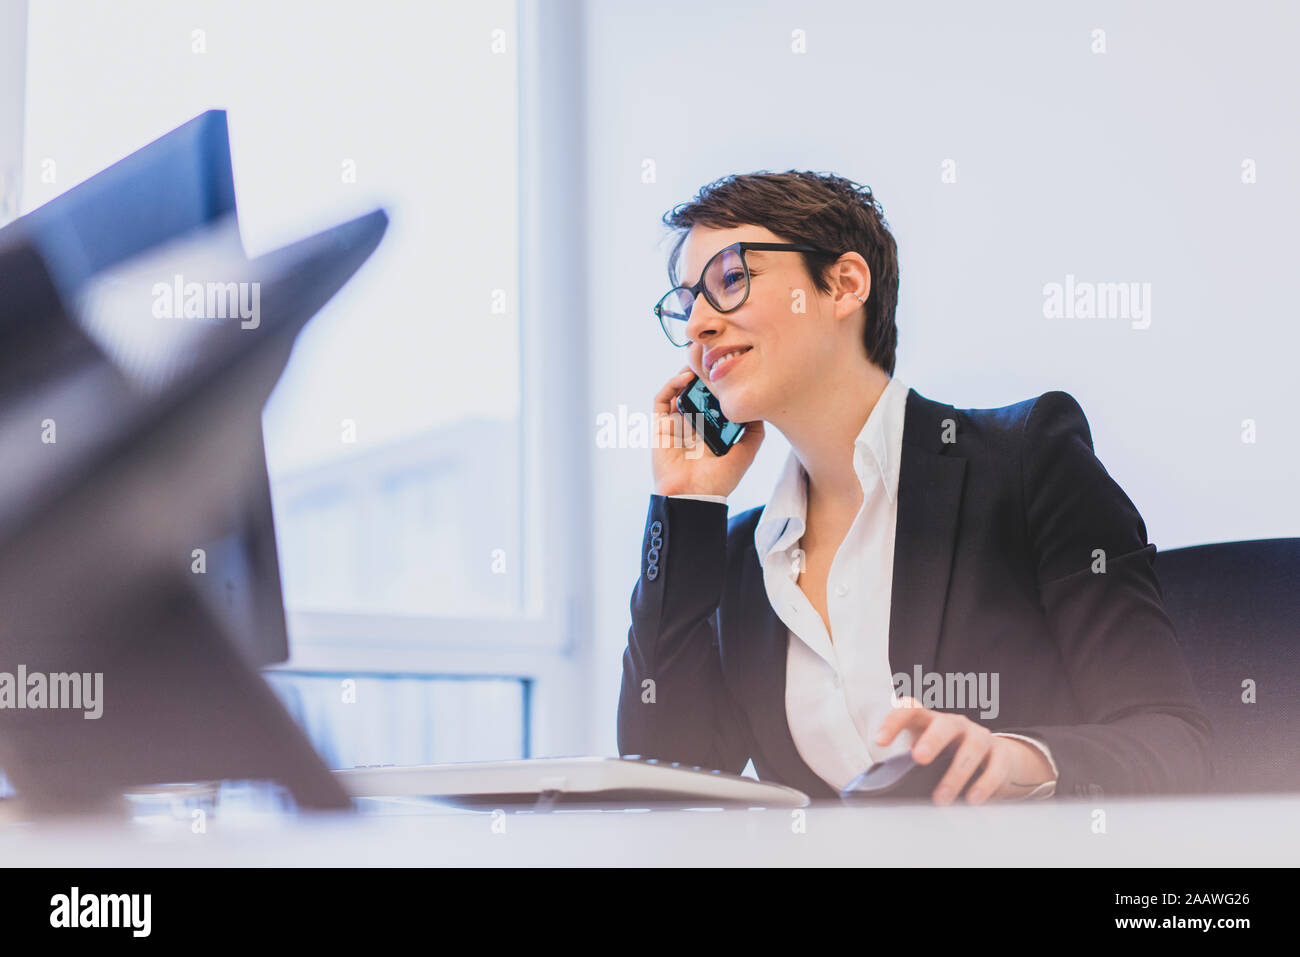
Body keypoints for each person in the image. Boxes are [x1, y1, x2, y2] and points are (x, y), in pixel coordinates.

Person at [617, 170, 1212, 804]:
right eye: (686, 303)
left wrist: (1017, 760)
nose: (698, 325)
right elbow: (664, 783)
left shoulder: (1025, 461)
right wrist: (685, 505)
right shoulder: (741, 557)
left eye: (730, 280)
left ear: (845, 285)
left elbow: (1174, 743)